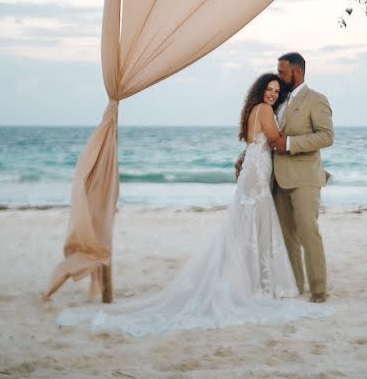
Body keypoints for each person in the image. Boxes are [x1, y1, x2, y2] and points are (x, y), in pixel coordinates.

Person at [56, 73, 331, 336]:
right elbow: (273, 140)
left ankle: (251, 279)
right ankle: (254, 283)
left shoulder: (252, 110)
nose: (272, 94)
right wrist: (292, 134)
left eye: (275, 91)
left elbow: (255, 142)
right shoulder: (265, 110)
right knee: (254, 222)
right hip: (257, 172)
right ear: (261, 91)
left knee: (246, 224)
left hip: (253, 167)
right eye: (268, 90)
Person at [271, 52, 334, 303]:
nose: (278, 76)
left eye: (282, 72)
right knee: (288, 237)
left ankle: (319, 288)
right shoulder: (278, 101)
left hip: (305, 177)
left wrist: (289, 144)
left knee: (309, 232)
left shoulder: (316, 99)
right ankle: (296, 285)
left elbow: (326, 136)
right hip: (278, 178)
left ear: (296, 72)